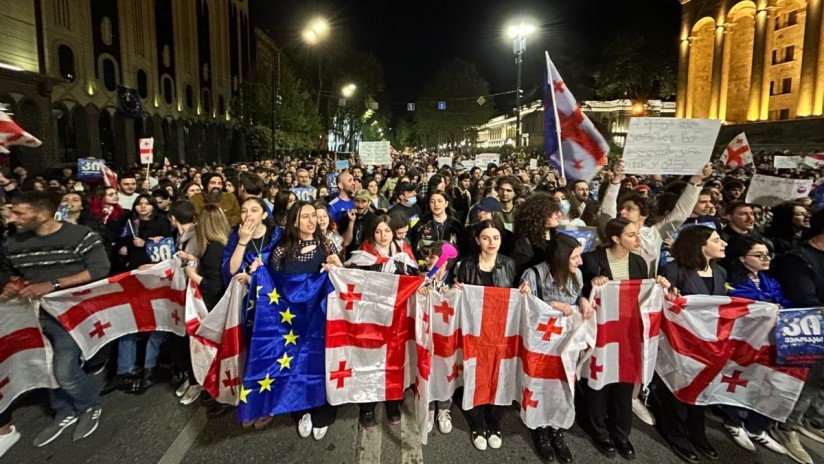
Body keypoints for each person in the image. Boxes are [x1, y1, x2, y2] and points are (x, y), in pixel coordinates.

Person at [0, 191, 110, 448]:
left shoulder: (81, 236)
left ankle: (88, 405)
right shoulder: (13, 243)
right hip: (32, 317)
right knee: (45, 367)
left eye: (19, 212)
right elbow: (10, 272)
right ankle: (64, 410)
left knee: (65, 370)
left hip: (71, 314)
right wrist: (9, 285)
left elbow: (99, 269)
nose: (11, 218)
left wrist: (52, 284)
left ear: (43, 213)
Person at [579, 218, 670, 460]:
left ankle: (621, 431)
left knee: (624, 382)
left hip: (629, 334)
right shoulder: (592, 261)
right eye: (631, 235)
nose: (637, 239)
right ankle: (598, 429)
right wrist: (593, 285)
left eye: (637, 234)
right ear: (616, 238)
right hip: (603, 332)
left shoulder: (639, 262)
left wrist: (659, 284)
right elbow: (580, 292)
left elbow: (645, 293)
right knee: (598, 381)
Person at [454, 220, 530, 451]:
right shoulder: (466, 265)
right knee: (477, 373)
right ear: (477, 240)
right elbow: (457, 299)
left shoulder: (509, 265)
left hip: (501, 332)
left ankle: (495, 421)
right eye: (485, 238)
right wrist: (456, 290)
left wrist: (525, 288)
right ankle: (478, 422)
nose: (491, 243)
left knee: (500, 373)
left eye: (495, 238)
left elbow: (517, 297)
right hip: (476, 333)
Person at [654, 226, 727, 463]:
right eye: (717, 240)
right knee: (677, 389)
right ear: (700, 245)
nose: (724, 243)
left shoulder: (721, 273)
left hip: (708, 345)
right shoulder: (673, 270)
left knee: (701, 389)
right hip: (681, 344)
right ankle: (674, 431)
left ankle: (697, 431)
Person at [269, 202, 342, 440]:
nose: (311, 221)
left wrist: (337, 266)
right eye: (304, 217)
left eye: (313, 216)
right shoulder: (282, 249)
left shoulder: (326, 245)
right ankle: (301, 410)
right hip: (293, 323)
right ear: (294, 222)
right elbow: (273, 283)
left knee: (320, 365)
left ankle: (323, 413)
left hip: (320, 320)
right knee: (296, 365)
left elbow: (340, 277)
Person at [345, 214, 418, 429]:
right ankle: (367, 405)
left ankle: (393, 401)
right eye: (378, 231)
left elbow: (413, 279)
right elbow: (351, 281)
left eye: (387, 231)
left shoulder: (404, 251)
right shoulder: (363, 254)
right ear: (372, 233)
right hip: (372, 319)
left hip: (398, 320)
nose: (383, 235)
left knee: (395, 361)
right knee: (369, 360)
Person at [106, 194, 174, 394]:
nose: (143, 207)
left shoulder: (162, 223)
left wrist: (147, 245)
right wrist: (123, 250)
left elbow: (168, 251)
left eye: (147, 203)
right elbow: (116, 244)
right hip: (131, 278)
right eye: (139, 203)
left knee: (156, 323)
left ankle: (149, 367)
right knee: (130, 323)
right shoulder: (127, 223)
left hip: (155, 279)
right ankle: (125, 370)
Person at [602, 160, 712, 276]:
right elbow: (607, 211)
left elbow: (680, 213)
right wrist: (616, 179)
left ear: (644, 214)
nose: (622, 212)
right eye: (621, 209)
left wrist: (696, 180)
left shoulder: (655, 234)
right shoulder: (613, 231)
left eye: (629, 209)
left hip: (645, 290)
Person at [174, 204, 231, 406]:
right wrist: (193, 258)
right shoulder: (218, 245)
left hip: (212, 308)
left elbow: (213, 285)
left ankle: (209, 387)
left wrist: (193, 275)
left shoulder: (214, 249)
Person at [510, 193, 562, 276]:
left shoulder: (555, 235)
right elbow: (521, 269)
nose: (559, 214)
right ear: (541, 214)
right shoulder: (523, 240)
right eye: (555, 212)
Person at [416, 190, 462, 260]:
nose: (436, 204)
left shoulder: (456, 225)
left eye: (440, 201)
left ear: (446, 203)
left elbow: (460, 249)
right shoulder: (422, 223)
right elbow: (415, 246)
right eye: (432, 201)